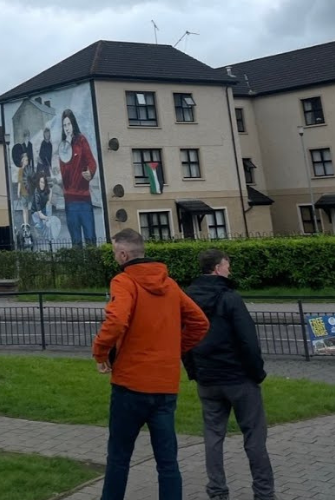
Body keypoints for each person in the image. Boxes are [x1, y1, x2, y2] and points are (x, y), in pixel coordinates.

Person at [92, 229, 209, 500]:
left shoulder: (124, 281)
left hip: (130, 384)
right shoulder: (170, 285)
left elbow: (117, 320)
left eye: (114, 253)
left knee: (119, 457)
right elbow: (199, 322)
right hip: (164, 385)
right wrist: (173, 349)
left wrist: (100, 352)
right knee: (167, 462)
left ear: (123, 255)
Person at [185, 249, 275, 500]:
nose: (229, 270)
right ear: (217, 268)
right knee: (254, 436)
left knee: (213, 435)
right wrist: (256, 373)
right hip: (238, 377)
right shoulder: (231, 298)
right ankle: (264, 493)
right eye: (227, 265)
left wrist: (194, 370)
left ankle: (217, 490)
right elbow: (247, 339)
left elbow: (183, 337)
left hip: (208, 377)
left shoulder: (187, 298)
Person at [58, 109, 97, 246]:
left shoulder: (81, 140)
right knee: (76, 241)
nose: (67, 128)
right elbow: (65, 175)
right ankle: (79, 267)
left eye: (69, 124)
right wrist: (67, 149)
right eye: (64, 125)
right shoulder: (63, 147)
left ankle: (93, 266)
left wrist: (90, 172)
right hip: (70, 200)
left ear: (73, 124)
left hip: (85, 198)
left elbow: (91, 161)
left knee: (90, 238)